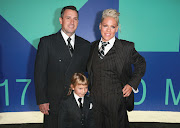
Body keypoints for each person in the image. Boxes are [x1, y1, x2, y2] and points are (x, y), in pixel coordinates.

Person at [87, 9, 146, 128]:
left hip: (116, 103)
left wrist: (131, 84)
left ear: (117, 28)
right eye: (105, 26)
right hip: (95, 103)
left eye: (112, 27)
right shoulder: (92, 47)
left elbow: (141, 63)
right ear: (100, 26)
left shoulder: (126, 47)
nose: (108, 30)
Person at [34, 6, 91, 128]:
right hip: (54, 102)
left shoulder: (85, 45)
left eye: (75, 19)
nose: (72, 22)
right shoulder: (47, 42)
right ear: (60, 20)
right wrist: (42, 100)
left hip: (77, 102)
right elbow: (39, 73)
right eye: (68, 18)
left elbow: (91, 71)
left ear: (78, 22)